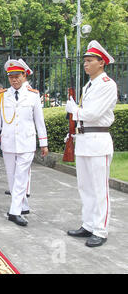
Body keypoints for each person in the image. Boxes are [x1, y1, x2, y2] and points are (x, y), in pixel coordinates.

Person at [65, 40, 117, 247]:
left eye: (89, 61)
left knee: (99, 189)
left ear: (101, 63)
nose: (85, 64)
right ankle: (88, 224)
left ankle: (101, 230)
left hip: (98, 141)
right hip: (85, 140)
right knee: (84, 187)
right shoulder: (89, 85)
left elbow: (94, 114)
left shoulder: (107, 85)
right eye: (85, 61)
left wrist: (74, 110)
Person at [0, 59, 48, 227]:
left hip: (27, 141)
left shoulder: (33, 95)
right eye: (11, 77)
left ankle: (14, 211)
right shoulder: (1, 96)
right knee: (11, 175)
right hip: (8, 142)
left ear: (24, 76)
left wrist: (43, 142)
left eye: (17, 76)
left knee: (22, 176)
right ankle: (22, 204)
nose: (14, 80)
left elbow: (39, 121)